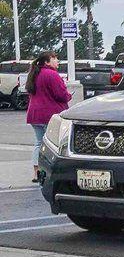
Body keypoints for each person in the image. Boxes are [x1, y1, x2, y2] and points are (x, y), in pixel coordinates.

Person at [25, 52, 71, 183]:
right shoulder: (52, 74)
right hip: (50, 114)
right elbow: (61, 94)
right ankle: (50, 172)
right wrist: (69, 96)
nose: (57, 60)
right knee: (52, 145)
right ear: (47, 62)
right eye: (54, 58)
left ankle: (36, 172)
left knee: (39, 143)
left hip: (34, 114)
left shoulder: (34, 74)